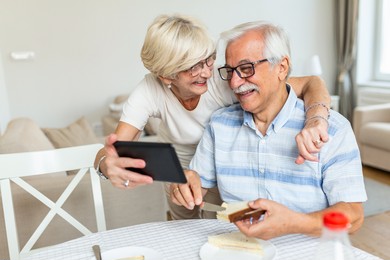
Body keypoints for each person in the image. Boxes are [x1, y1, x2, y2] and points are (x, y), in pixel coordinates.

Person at [94, 14, 331, 221]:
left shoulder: (224, 79)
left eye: (208, 59)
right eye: (193, 67)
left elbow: (312, 82)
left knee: (218, 225)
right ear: (166, 75)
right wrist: (107, 164)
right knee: (184, 228)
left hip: (222, 165)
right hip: (179, 171)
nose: (207, 71)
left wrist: (316, 120)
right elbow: (114, 149)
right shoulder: (149, 90)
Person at [170, 20, 366, 238]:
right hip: (237, 252)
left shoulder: (333, 129)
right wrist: (187, 185)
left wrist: (296, 223)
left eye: (246, 68)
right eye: (230, 70)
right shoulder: (219, 124)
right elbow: (197, 184)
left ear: (281, 68)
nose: (235, 83)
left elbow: (354, 215)